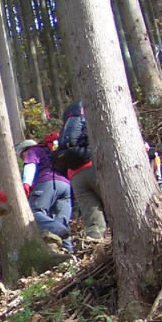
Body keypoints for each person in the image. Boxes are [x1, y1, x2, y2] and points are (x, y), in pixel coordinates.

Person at [56, 101, 107, 240]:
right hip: (93, 168)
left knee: (93, 219)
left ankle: (95, 243)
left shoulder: (65, 130)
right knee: (115, 205)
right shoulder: (88, 121)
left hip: (75, 176)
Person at [16, 132, 73, 252]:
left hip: (47, 182)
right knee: (60, 220)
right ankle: (68, 252)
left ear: (25, 151)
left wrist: (26, 183)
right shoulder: (52, 152)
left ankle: (57, 230)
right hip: (66, 186)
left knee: (33, 213)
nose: (23, 158)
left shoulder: (33, 151)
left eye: (22, 156)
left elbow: (30, 166)